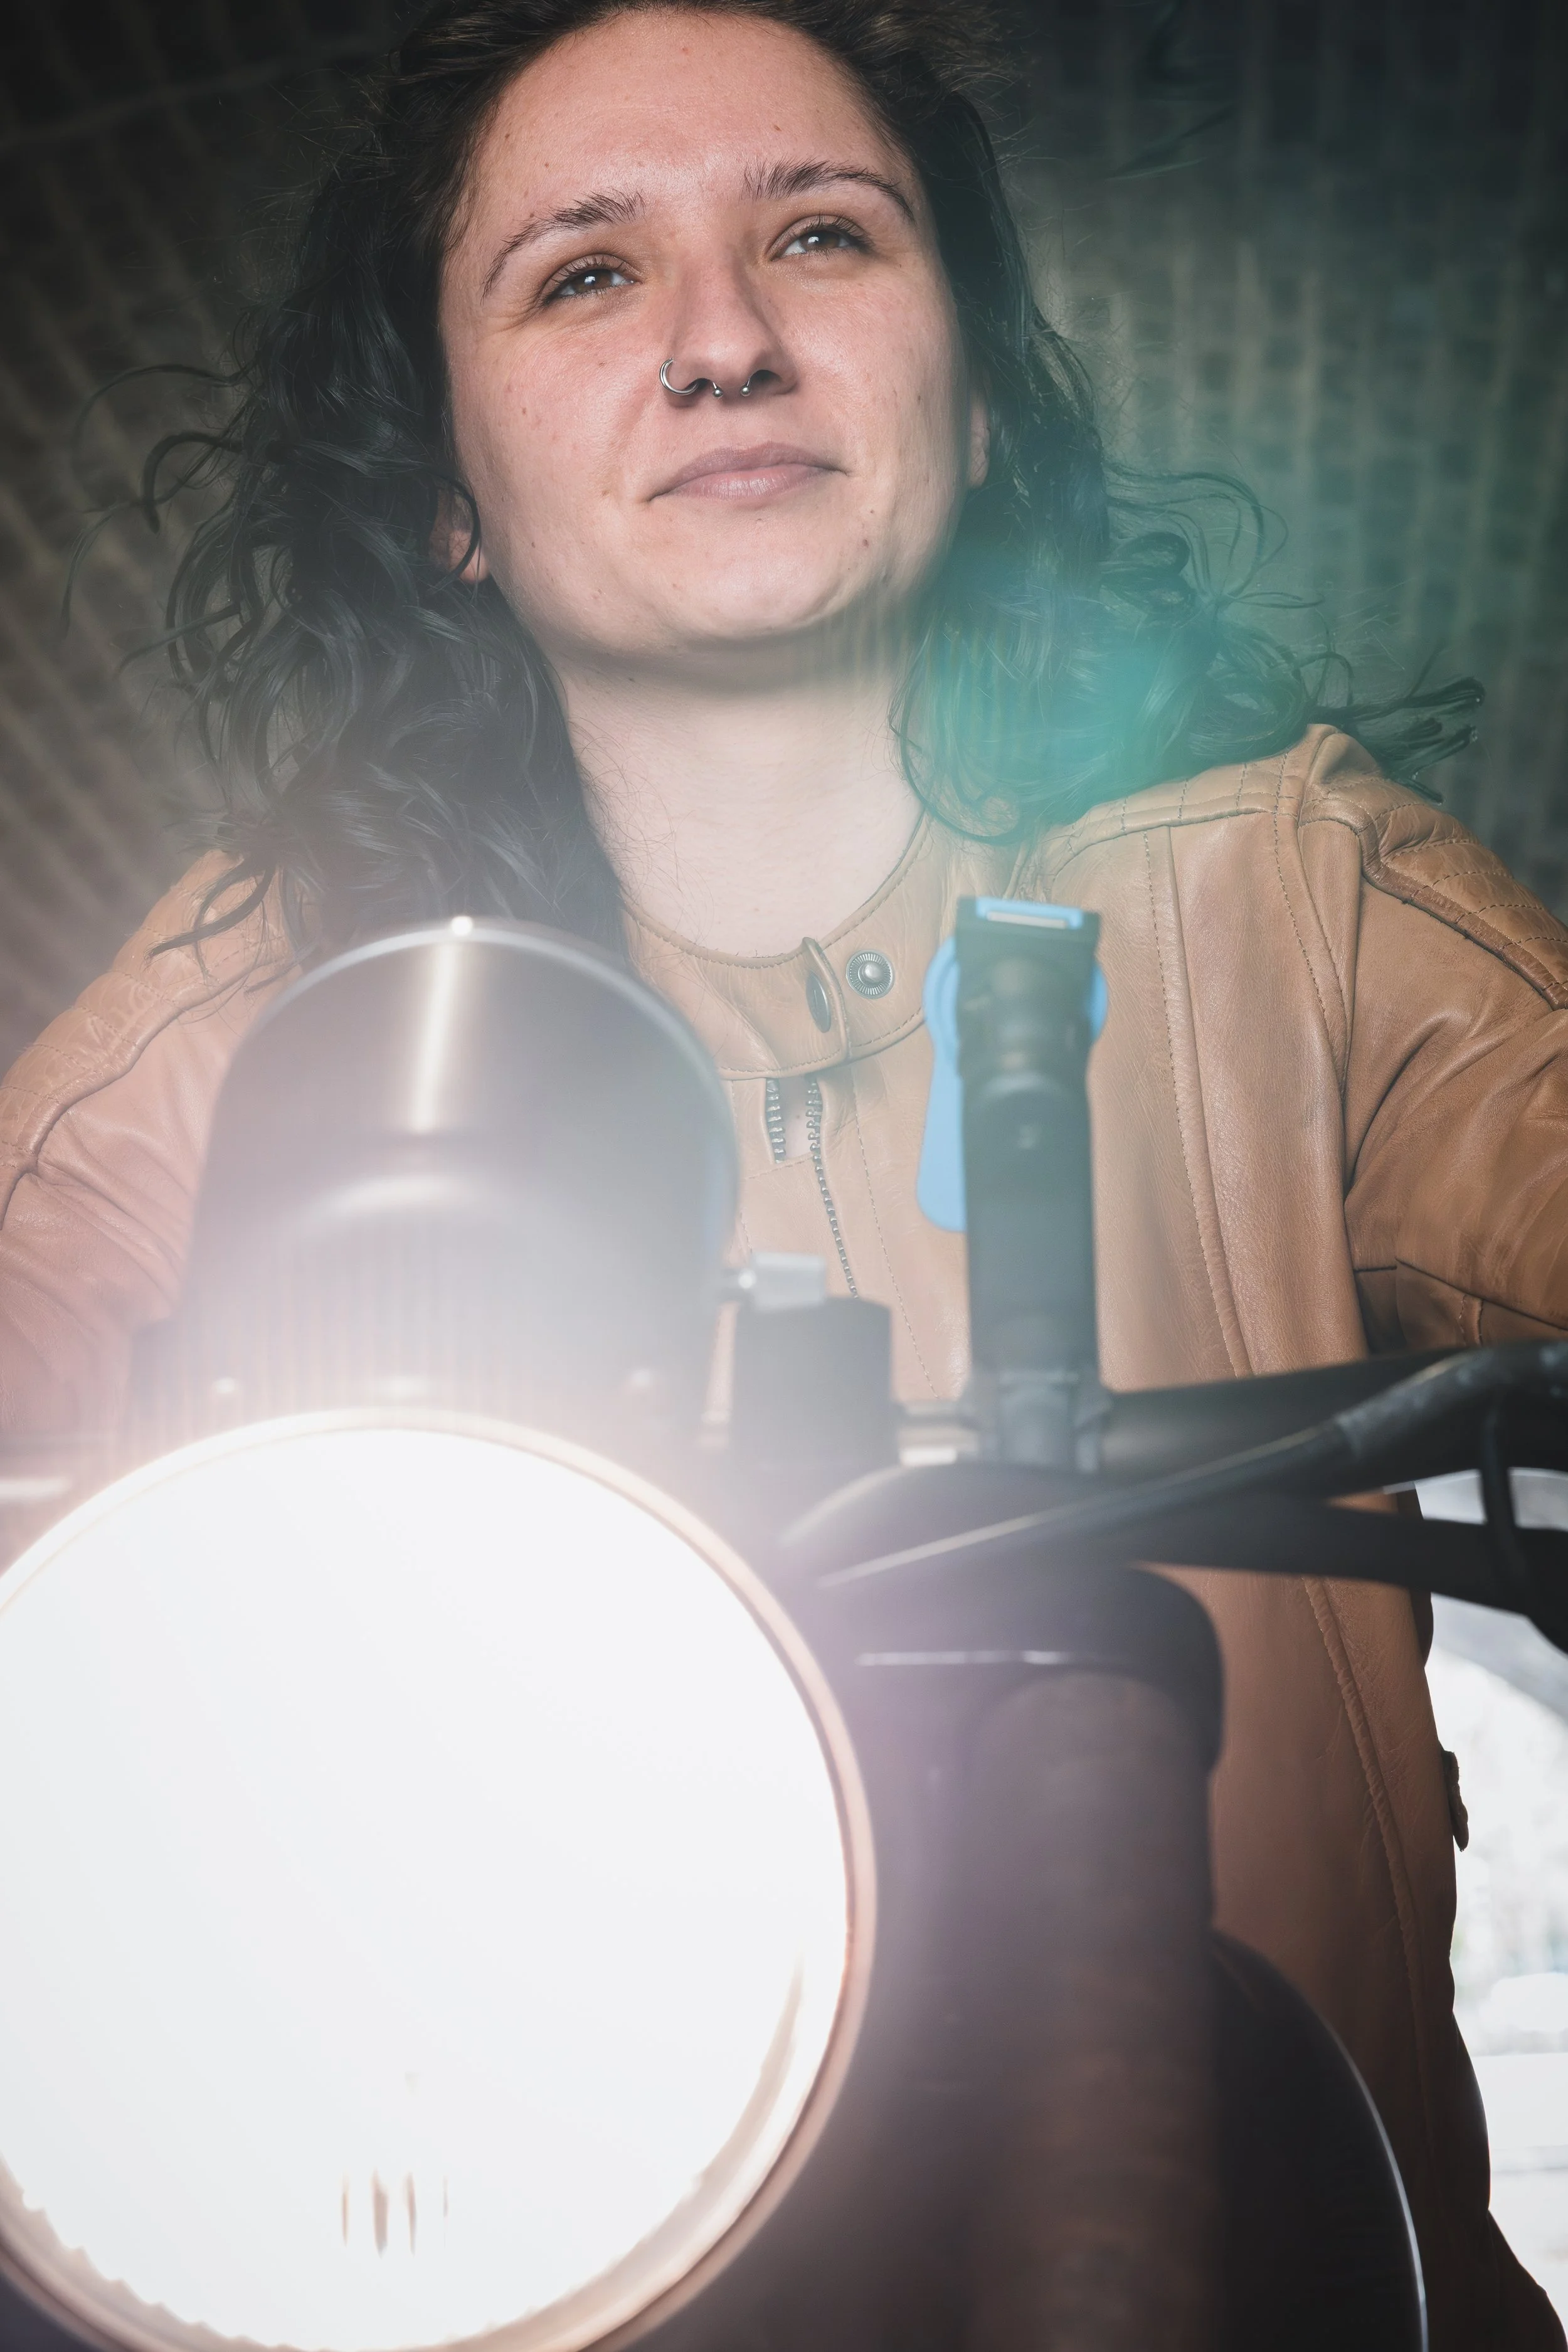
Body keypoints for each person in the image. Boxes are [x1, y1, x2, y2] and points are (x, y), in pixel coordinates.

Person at [3, 0, 1566, 2339]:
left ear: (968, 383)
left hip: (1268, 2256)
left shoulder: (1292, 900)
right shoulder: (263, 1012)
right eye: (585, 275)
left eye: (819, 235)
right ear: (442, 487)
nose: (723, 340)